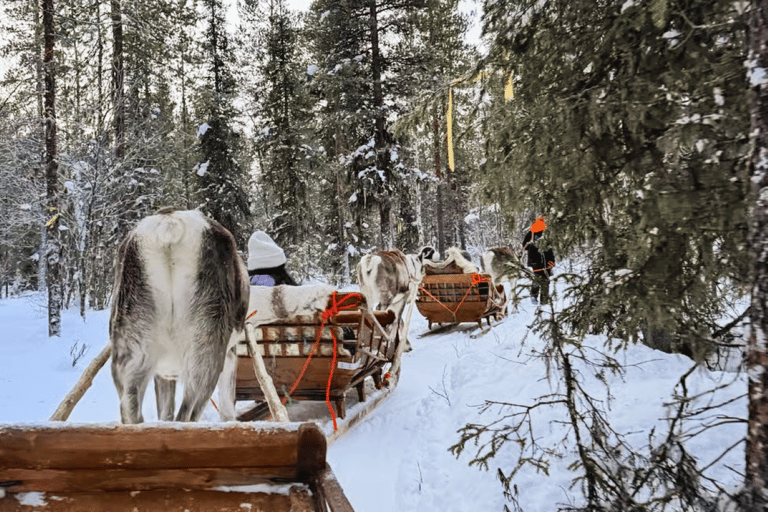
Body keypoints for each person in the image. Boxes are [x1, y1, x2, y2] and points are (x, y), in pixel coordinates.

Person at [522, 216, 555, 305]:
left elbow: (550, 249)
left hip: (541, 261)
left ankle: (539, 298)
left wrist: (551, 260)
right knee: (541, 279)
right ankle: (539, 298)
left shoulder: (542, 233)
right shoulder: (533, 233)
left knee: (540, 279)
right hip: (538, 261)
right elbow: (525, 246)